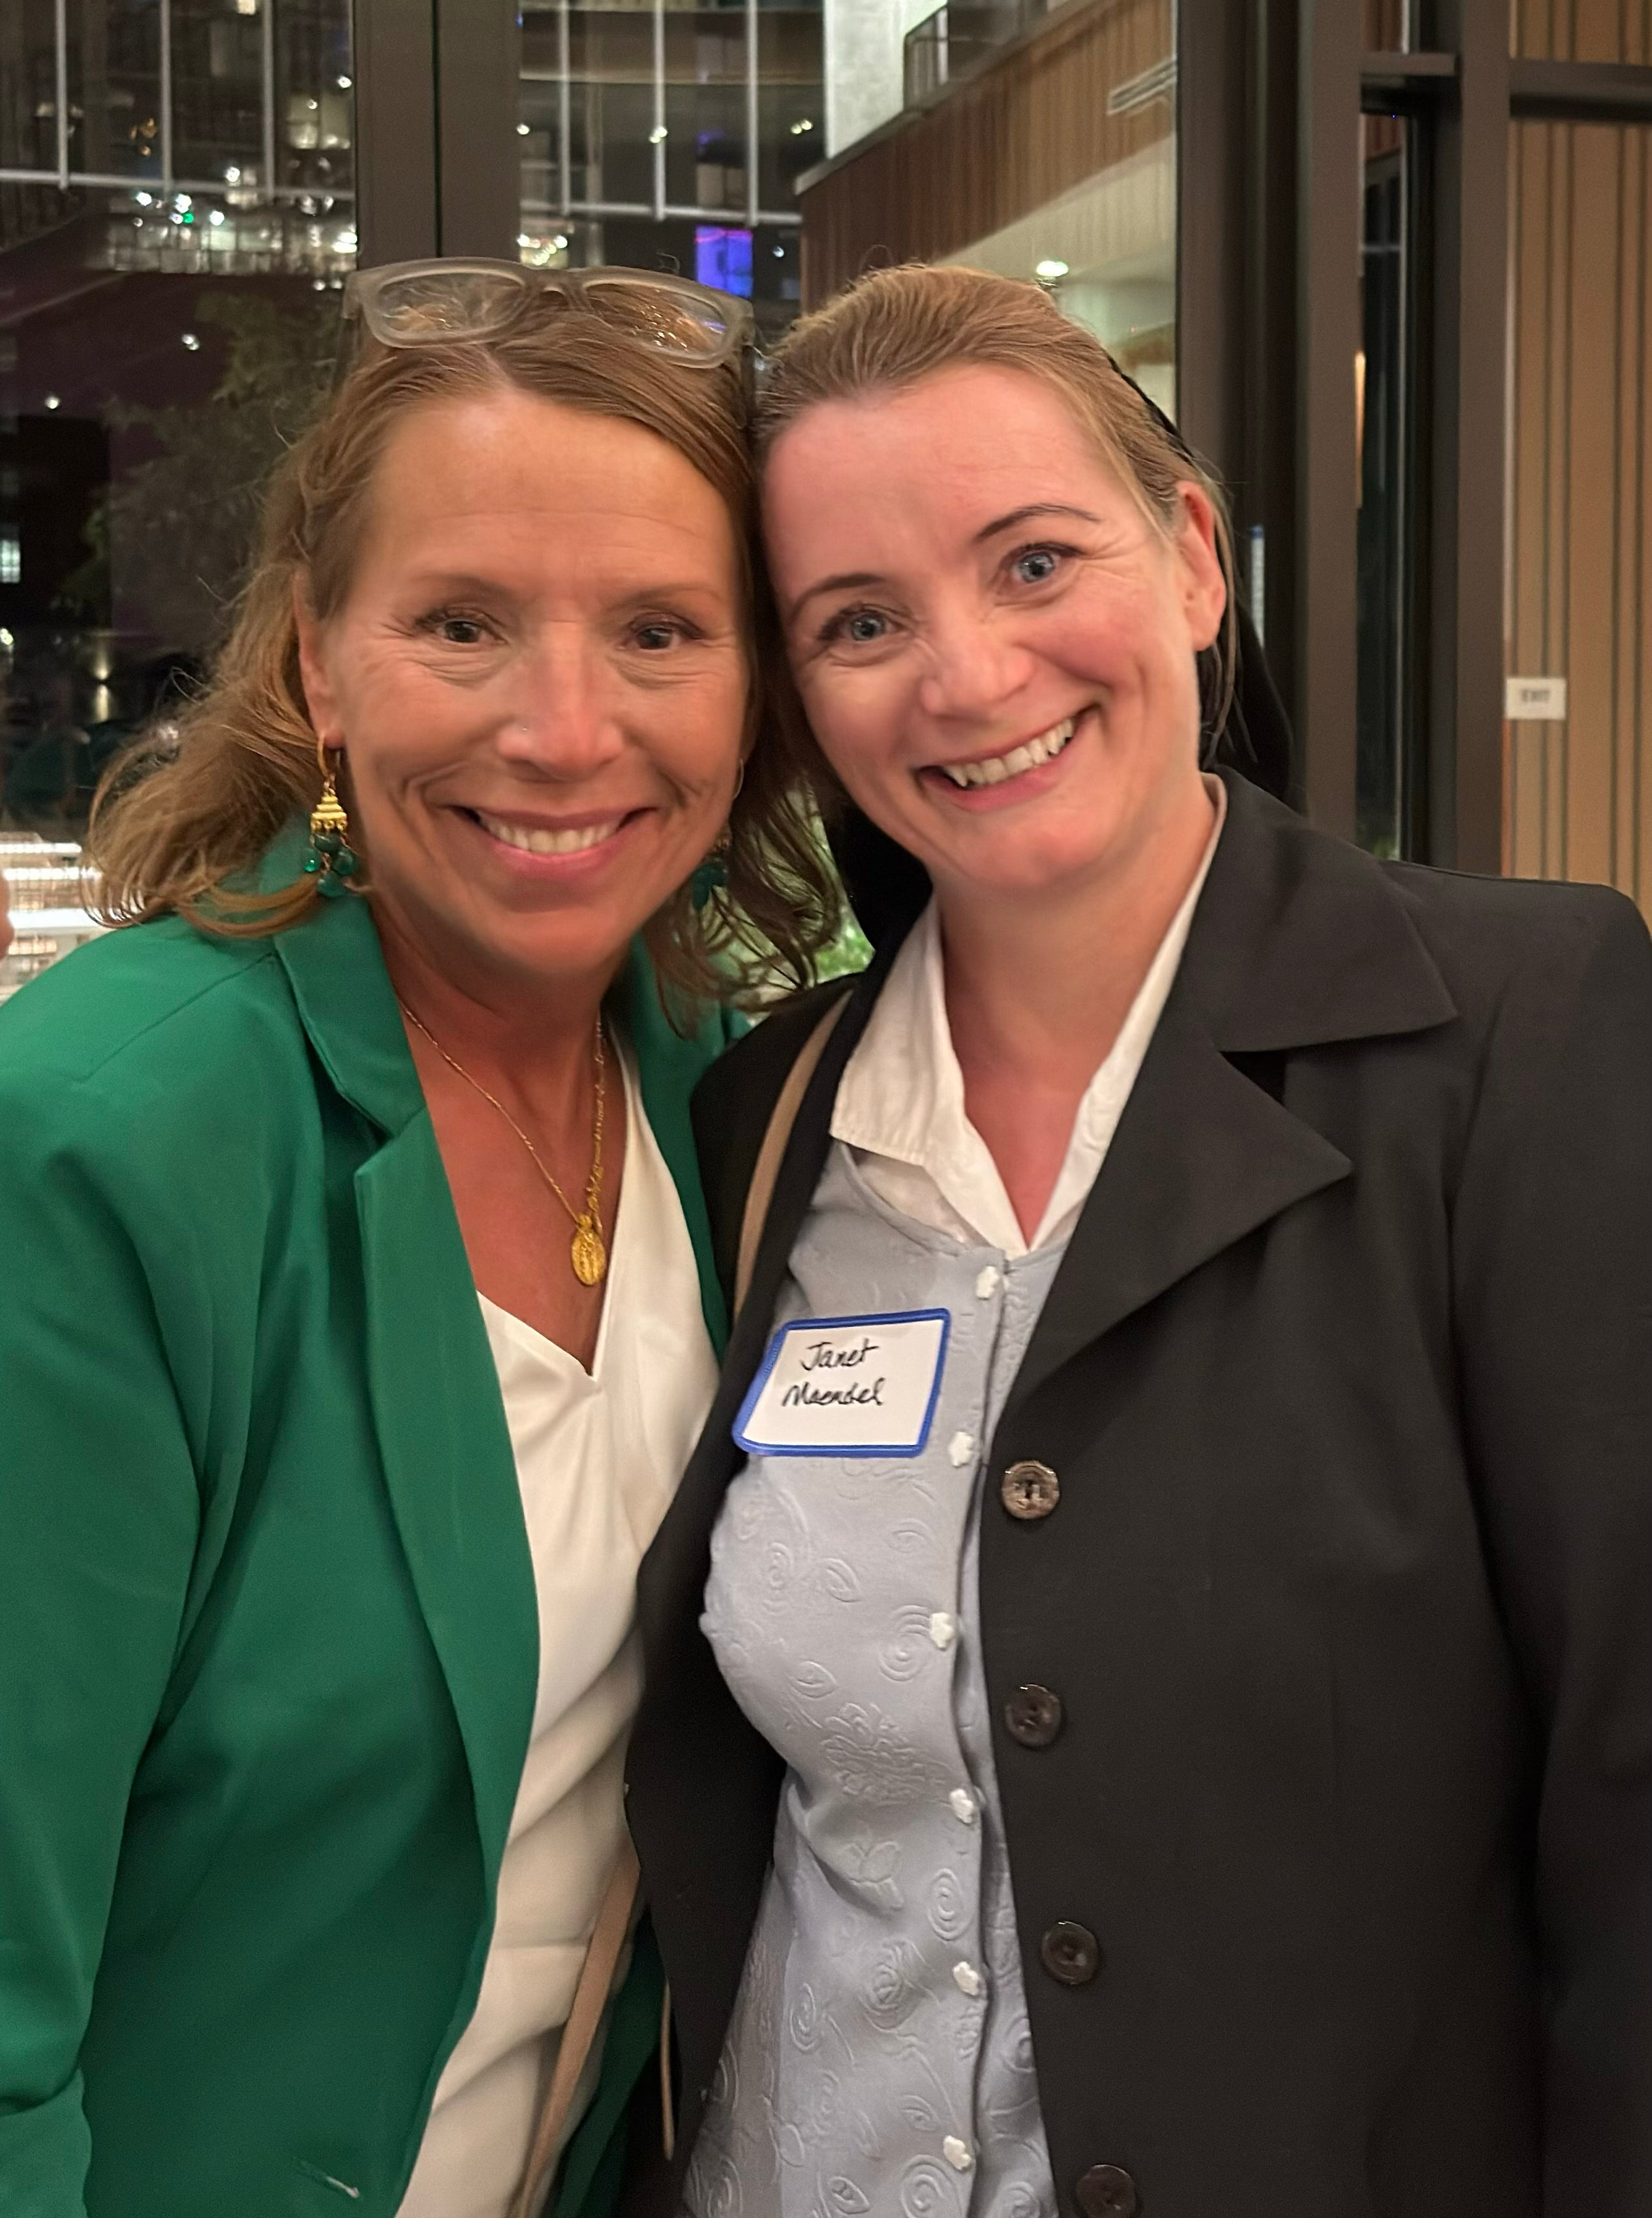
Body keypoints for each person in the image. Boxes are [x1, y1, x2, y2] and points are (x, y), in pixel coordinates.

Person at [624, 264, 1652, 2218]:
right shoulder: (762, 1123)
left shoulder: (1515, 1038)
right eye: (860, 621)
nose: (966, 676)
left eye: (1032, 562)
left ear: (1189, 558)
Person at [0, 262, 837, 2218]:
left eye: (659, 631)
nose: (563, 729)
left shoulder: (723, 1090)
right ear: (317, 660)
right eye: (461, 624)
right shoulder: (103, 1148)